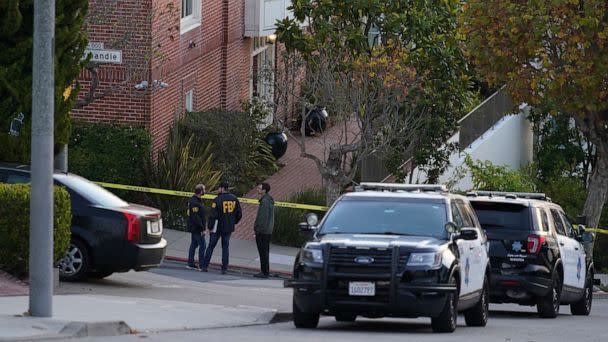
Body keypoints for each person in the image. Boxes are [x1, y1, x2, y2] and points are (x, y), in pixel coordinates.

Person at [201, 181, 242, 274]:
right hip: (228, 228)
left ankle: (205, 266)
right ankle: (224, 268)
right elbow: (239, 214)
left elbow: (213, 215)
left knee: (211, 246)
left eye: (219, 188)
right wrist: (233, 222)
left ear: (222, 188)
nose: (218, 189)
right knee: (225, 248)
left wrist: (210, 227)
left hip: (217, 227)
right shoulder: (234, 199)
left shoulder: (217, 200)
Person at [253, 183, 274, 278]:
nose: (257, 189)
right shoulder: (268, 200)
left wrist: (258, 229)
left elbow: (263, 218)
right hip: (267, 230)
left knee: (263, 252)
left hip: (263, 231)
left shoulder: (265, 202)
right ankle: (265, 271)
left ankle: (264, 272)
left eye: (259, 188)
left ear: (264, 190)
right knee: (265, 252)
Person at [186, 184, 206, 271]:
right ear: (201, 191)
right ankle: (201, 265)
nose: (205, 191)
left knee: (194, 244)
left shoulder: (197, 200)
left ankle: (190, 263)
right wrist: (202, 228)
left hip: (195, 226)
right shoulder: (195, 202)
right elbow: (196, 217)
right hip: (197, 227)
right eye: (204, 189)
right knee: (203, 245)